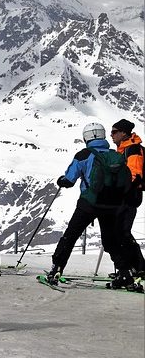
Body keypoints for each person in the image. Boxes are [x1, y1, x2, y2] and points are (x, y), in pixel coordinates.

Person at [48, 123, 136, 289]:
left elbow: (69, 180)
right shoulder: (114, 155)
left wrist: (61, 180)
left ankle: (56, 269)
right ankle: (125, 273)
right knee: (111, 240)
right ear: (102, 136)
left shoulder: (84, 154)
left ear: (86, 137)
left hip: (89, 203)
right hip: (112, 205)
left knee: (71, 235)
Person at [110, 119, 144, 274]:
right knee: (121, 232)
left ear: (124, 132)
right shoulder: (124, 149)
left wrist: (120, 190)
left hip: (129, 195)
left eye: (114, 132)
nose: (111, 135)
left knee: (122, 232)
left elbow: (134, 174)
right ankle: (134, 267)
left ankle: (138, 267)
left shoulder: (132, 149)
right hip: (127, 194)